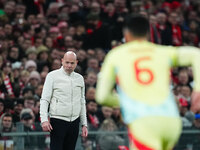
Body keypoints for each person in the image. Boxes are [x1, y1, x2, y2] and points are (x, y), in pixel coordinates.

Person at [96, 15, 200, 150]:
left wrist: (126, 101)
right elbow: (196, 54)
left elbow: (101, 97)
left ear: (126, 35)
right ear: (147, 34)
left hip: (144, 122)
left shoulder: (116, 55)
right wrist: (197, 90)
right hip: (171, 121)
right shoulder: (161, 51)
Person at [40, 51, 88, 150]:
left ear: (76, 63)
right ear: (62, 61)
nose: (69, 65)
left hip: (75, 121)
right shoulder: (52, 76)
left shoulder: (80, 79)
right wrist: (44, 120)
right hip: (58, 120)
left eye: (72, 63)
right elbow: (45, 99)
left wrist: (84, 124)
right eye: (67, 62)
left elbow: (82, 102)